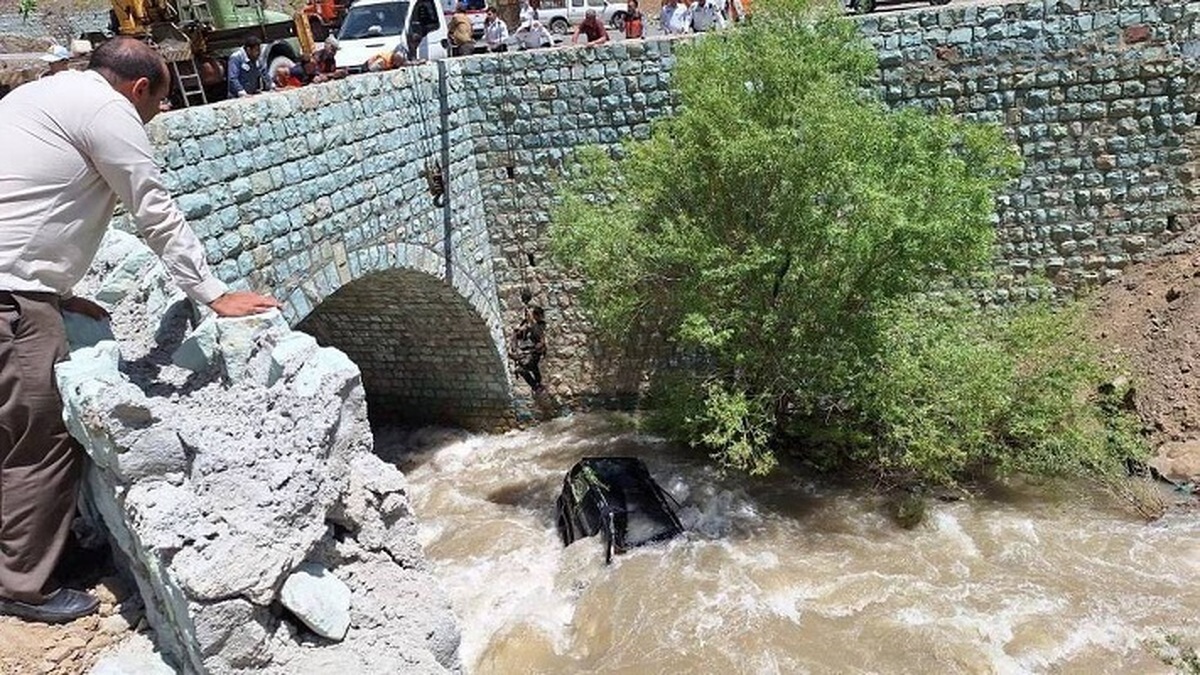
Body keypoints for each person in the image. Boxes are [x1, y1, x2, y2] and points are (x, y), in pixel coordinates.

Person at [0, 37, 280, 624]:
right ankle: (22, 583)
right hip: (10, 301)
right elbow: (152, 208)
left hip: (18, 285)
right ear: (139, 87)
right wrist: (212, 293)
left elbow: (24, 200)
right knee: (40, 439)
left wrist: (54, 289)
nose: (158, 115)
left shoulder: (41, 95)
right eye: (159, 101)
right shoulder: (110, 112)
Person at [509, 304, 546, 393]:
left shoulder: (539, 326)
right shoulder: (525, 325)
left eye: (530, 315)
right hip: (527, 352)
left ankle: (537, 385)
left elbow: (541, 341)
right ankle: (536, 385)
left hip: (534, 353)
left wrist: (530, 351)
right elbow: (515, 336)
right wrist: (514, 349)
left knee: (525, 367)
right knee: (524, 368)